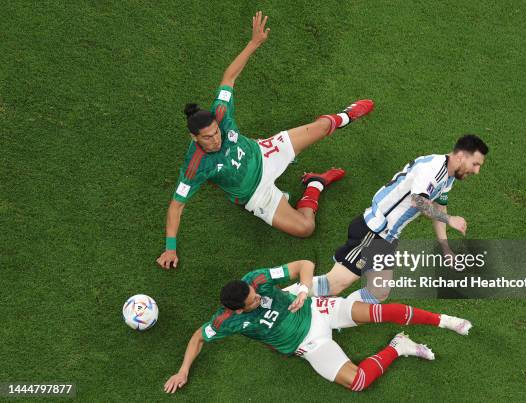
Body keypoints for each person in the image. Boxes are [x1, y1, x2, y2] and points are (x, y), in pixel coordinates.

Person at [157, 12, 374, 269]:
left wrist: (254, 43)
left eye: (216, 132)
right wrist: (170, 249)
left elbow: (228, 78)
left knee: (323, 126)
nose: (216, 139)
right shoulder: (195, 165)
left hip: (264, 152)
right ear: (194, 137)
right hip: (256, 194)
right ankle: (315, 183)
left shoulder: (221, 114)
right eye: (208, 137)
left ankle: (347, 115)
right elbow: (176, 206)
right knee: (305, 228)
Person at [163, 260, 472, 393]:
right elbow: (197, 337)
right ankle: (399, 346)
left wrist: (302, 289)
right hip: (310, 346)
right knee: (359, 381)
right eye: (252, 301)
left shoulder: (256, 279)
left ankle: (445, 320)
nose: (257, 298)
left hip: (318, 309)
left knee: (382, 311)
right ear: (236, 309)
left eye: (255, 294)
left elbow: (303, 266)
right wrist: (183, 370)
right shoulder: (225, 321)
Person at [286, 134, 489, 303]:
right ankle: (279, 297)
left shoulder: (448, 176)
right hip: (373, 232)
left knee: (378, 292)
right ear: (461, 156)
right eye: (475, 164)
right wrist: (450, 219)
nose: (477, 171)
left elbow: (439, 209)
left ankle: (335, 315)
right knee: (334, 284)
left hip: (387, 238)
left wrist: (445, 249)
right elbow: (418, 201)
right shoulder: (432, 169)